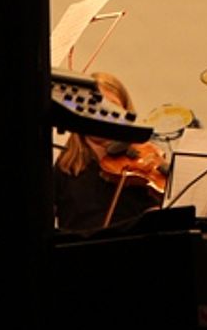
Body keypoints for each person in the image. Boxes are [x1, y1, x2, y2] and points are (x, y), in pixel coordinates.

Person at [54, 71, 163, 231]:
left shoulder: (142, 165)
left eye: (112, 107)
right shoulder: (63, 165)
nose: (103, 114)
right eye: (94, 105)